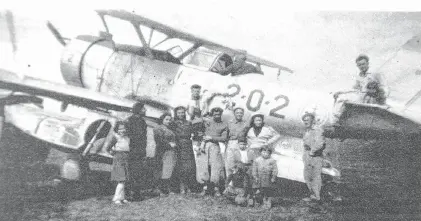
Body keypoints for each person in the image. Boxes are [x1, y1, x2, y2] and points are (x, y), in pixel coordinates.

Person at [201, 107, 228, 196]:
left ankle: (216, 188)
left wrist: (212, 138)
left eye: (218, 114)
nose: (217, 116)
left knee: (215, 167)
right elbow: (202, 131)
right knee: (204, 166)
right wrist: (202, 143)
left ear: (221, 114)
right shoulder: (208, 122)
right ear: (212, 115)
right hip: (205, 145)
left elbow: (224, 138)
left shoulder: (224, 124)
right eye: (215, 114)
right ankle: (205, 187)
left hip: (215, 145)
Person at [125, 102, 148, 199]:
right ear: (139, 110)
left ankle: (135, 193)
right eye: (143, 109)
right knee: (134, 172)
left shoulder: (141, 121)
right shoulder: (132, 121)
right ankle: (132, 193)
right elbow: (134, 136)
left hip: (139, 149)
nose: (145, 110)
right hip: (133, 149)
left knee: (137, 172)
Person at [172, 106, 197, 194]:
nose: (181, 114)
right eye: (179, 113)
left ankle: (188, 186)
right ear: (176, 114)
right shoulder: (173, 123)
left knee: (189, 167)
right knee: (180, 167)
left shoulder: (188, 123)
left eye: (182, 112)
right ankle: (181, 187)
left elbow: (193, 133)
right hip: (178, 145)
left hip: (188, 145)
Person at [302, 112, 326, 202]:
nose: (306, 122)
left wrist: (312, 152)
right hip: (307, 154)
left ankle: (317, 197)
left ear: (312, 120)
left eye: (308, 120)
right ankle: (312, 195)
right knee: (307, 176)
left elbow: (320, 143)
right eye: (304, 120)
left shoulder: (317, 130)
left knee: (315, 176)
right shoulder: (307, 130)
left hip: (315, 155)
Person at [106, 121, 131, 205]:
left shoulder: (127, 138)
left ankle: (122, 198)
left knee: (124, 180)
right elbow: (107, 148)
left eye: (124, 128)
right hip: (118, 159)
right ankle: (116, 198)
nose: (122, 130)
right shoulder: (116, 137)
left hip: (126, 159)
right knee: (121, 180)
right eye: (120, 129)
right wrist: (113, 153)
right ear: (116, 129)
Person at [154, 113, 178, 196]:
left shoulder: (170, 128)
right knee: (162, 170)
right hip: (163, 151)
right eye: (166, 119)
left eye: (170, 119)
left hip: (171, 152)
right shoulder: (158, 128)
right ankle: (161, 190)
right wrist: (169, 144)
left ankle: (167, 188)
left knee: (169, 169)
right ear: (162, 119)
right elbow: (159, 140)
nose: (168, 121)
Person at [225, 107, 248, 178]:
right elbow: (226, 135)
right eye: (237, 113)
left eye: (241, 113)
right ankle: (229, 183)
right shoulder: (230, 123)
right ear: (234, 114)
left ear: (243, 114)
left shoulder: (245, 124)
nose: (239, 114)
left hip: (241, 144)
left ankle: (239, 184)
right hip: (231, 143)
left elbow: (246, 135)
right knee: (229, 164)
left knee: (240, 164)